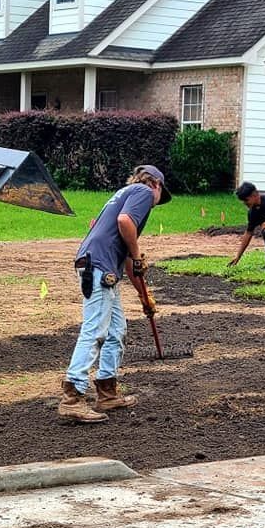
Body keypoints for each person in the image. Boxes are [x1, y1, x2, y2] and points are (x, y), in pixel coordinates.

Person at [58, 164, 170, 423]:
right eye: (159, 198)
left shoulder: (123, 194)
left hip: (102, 268)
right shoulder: (142, 191)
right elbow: (125, 223)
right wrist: (136, 252)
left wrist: (145, 297)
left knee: (115, 330)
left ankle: (107, 392)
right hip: (98, 267)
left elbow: (130, 264)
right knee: (95, 329)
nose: (155, 204)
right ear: (157, 185)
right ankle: (72, 398)